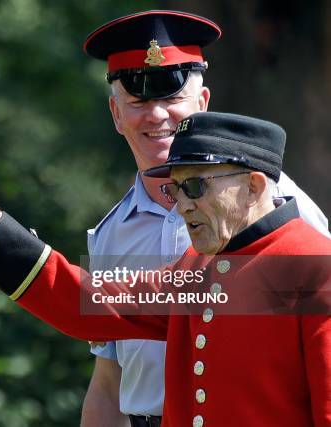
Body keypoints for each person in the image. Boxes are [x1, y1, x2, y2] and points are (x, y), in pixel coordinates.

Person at [0, 111, 331, 426]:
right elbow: (89, 301)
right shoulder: (201, 265)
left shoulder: (314, 266)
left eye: (196, 186)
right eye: (175, 187)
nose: (182, 203)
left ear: (255, 187)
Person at [78, 10, 329, 427]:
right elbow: (108, 378)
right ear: (115, 114)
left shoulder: (281, 205)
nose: (157, 116)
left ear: (203, 103)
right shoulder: (109, 233)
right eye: (138, 101)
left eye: (173, 99)